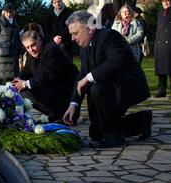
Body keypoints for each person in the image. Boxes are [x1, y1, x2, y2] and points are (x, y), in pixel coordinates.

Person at [62, 10, 152, 148]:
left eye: (75, 33)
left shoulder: (109, 36)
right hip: (108, 89)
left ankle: (114, 138)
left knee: (96, 88)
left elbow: (116, 61)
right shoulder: (84, 46)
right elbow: (81, 76)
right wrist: (73, 104)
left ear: (90, 28)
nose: (73, 38)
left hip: (127, 86)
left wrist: (87, 78)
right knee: (96, 133)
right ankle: (141, 122)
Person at [12, 30, 79, 123]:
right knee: (24, 91)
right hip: (53, 86)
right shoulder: (32, 54)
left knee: (28, 89)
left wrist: (24, 84)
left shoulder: (51, 49)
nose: (31, 49)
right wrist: (17, 80)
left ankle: (63, 114)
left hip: (68, 88)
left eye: (33, 45)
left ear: (39, 40)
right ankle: (54, 114)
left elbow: (49, 73)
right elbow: (27, 70)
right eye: (27, 47)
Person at [0, 3, 22, 85]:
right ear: (3, 12)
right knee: (3, 77)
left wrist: (20, 52)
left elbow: (18, 39)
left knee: (13, 79)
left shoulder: (15, 24)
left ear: (13, 12)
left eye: (10, 12)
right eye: (7, 12)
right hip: (2, 54)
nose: (9, 14)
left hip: (14, 53)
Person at [154, 0, 171, 98]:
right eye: (164, 1)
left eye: (168, 0)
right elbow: (158, 29)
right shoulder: (159, 13)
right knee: (161, 69)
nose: (166, 2)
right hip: (160, 44)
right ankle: (161, 90)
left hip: (169, 43)